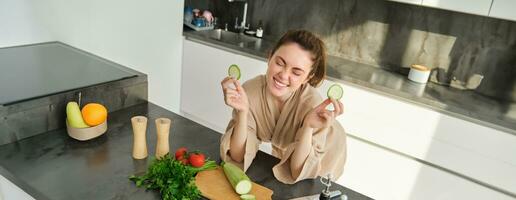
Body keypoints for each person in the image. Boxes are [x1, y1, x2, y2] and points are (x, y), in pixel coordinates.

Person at [220, 30, 347, 184]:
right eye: (280, 63)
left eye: (296, 72)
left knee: (312, 189)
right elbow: (238, 156)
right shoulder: (251, 92)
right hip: (285, 144)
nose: (284, 75)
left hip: (326, 145)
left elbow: (297, 170)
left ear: (308, 77)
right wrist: (242, 112)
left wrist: (307, 126)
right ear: (270, 57)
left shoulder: (311, 104)